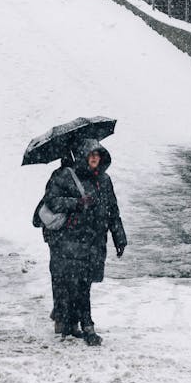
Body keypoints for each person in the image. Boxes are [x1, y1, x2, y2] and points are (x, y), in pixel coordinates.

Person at [34, 138, 127, 346]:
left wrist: (119, 236)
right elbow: (52, 201)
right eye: (91, 154)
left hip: (94, 240)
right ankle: (86, 325)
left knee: (82, 282)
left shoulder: (105, 180)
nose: (95, 158)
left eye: (98, 155)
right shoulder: (64, 175)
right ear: (83, 155)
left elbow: (113, 210)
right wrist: (77, 203)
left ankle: (67, 320)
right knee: (76, 283)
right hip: (69, 240)